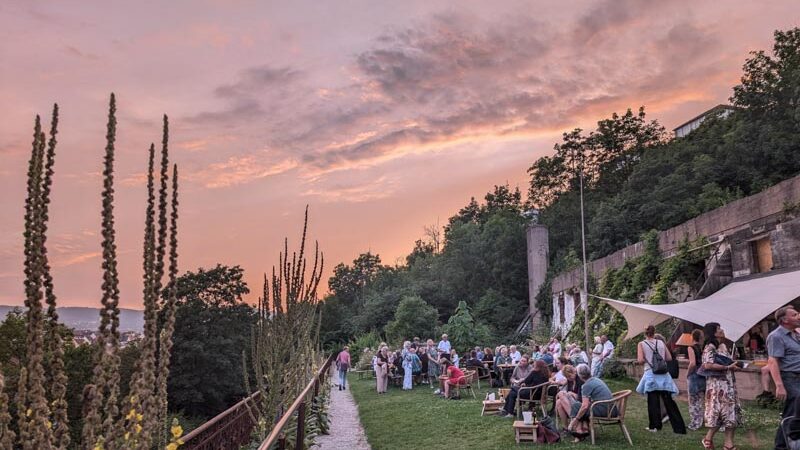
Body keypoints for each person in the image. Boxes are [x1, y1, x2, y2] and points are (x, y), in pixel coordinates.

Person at [636, 325, 686, 434]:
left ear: (644, 333)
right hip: (663, 375)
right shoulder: (661, 343)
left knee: (653, 401)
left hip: (650, 373)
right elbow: (668, 358)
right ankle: (679, 428)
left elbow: (640, 360)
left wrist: (646, 358)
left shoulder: (641, 344)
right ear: (654, 332)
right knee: (669, 402)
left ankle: (654, 426)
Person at [701, 322, 742, 450]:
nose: (722, 330)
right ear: (713, 332)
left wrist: (733, 366)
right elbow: (707, 365)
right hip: (717, 386)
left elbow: (727, 362)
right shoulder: (710, 347)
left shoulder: (723, 346)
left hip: (728, 384)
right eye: (719, 329)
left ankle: (728, 445)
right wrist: (727, 367)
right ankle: (708, 439)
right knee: (718, 415)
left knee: (730, 414)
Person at [768, 306, 800, 450]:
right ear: (785, 320)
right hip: (790, 377)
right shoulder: (776, 336)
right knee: (792, 412)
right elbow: (773, 361)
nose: (799, 316)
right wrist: (779, 385)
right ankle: (781, 446)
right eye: (795, 314)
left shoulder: (795, 334)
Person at [567, 363, 616, 443]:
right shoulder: (596, 379)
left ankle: (577, 431)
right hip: (612, 408)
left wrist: (575, 419)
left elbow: (584, 406)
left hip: (606, 410)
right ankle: (582, 429)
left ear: (579, 375)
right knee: (579, 406)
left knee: (576, 405)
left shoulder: (586, 385)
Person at [686, 329, 706, 431]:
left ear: (692, 337)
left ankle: (695, 422)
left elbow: (692, 363)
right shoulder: (703, 348)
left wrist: (687, 373)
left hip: (694, 375)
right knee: (701, 400)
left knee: (693, 401)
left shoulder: (691, 348)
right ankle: (702, 420)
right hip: (703, 375)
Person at [555, 364, 583, 429]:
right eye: (567, 377)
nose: (569, 378)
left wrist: (572, 394)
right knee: (559, 402)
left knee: (561, 394)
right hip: (572, 402)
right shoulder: (570, 381)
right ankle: (566, 427)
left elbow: (581, 398)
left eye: (570, 376)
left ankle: (573, 419)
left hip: (580, 403)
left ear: (574, 372)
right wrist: (568, 394)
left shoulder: (580, 380)